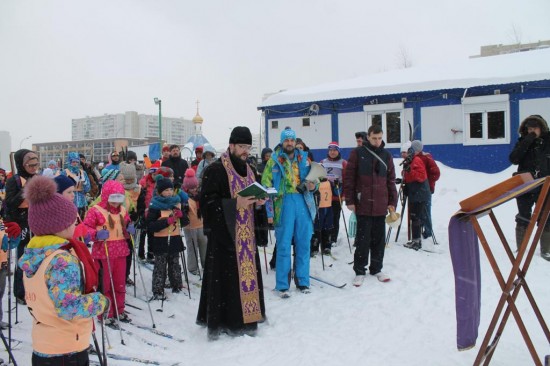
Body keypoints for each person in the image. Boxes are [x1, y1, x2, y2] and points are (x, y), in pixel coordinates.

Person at [18, 175, 108, 365]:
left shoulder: (34, 255)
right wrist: (100, 301)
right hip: (67, 350)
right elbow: (68, 307)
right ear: (58, 226)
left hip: (44, 345)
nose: (75, 225)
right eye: (72, 222)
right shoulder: (61, 261)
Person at [197, 126, 266, 340]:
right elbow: (207, 204)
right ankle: (227, 321)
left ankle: (248, 317)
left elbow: (252, 198)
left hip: (247, 235)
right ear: (231, 145)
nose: (246, 151)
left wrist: (258, 202)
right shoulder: (215, 170)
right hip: (225, 238)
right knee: (226, 282)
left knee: (245, 280)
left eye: (248, 146)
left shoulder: (250, 170)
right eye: (242, 146)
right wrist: (236, 204)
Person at [262, 128, 317, 296]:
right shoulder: (273, 160)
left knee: (303, 244)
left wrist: (313, 186)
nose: (290, 143)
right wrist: (269, 212)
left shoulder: (304, 159)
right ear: (282, 141)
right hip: (283, 203)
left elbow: (315, 179)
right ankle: (282, 285)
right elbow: (265, 186)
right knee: (284, 245)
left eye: (292, 140)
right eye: (286, 140)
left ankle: (303, 281)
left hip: (303, 202)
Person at [344, 125, 397, 286]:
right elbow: (349, 178)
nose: (377, 141)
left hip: (381, 204)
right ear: (368, 137)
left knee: (379, 240)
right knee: (362, 239)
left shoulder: (387, 155)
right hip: (363, 203)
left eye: (380, 138)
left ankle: (376, 268)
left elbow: (391, 181)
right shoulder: (357, 153)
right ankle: (359, 271)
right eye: (374, 138)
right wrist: (350, 200)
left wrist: (392, 202)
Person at [83, 180, 132, 327]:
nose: (116, 204)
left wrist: (130, 229)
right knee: (105, 284)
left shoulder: (123, 211)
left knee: (119, 282)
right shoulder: (96, 210)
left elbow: (127, 223)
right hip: (103, 253)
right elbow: (85, 229)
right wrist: (96, 234)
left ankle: (119, 308)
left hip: (121, 252)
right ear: (106, 196)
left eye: (119, 200)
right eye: (113, 200)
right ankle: (106, 311)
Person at [509, 114, 550, 260]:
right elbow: (514, 159)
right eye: (529, 128)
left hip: (545, 185)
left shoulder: (548, 141)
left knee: (546, 217)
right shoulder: (523, 142)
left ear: (542, 128)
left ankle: (546, 250)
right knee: (523, 216)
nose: (532, 131)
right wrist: (527, 141)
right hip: (525, 184)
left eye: (535, 128)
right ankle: (521, 249)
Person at [4, 148, 40, 304]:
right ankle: (20, 292)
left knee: (37, 257)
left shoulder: (38, 178)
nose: (33, 168)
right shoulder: (14, 181)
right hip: (22, 222)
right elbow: (10, 204)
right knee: (23, 258)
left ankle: (35, 288)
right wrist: (26, 189)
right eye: (30, 165)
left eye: (35, 165)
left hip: (37, 222)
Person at [147, 176, 185, 299]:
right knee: (160, 266)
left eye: (170, 189)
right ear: (160, 192)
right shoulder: (155, 206)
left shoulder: (177, 203)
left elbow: (185, 223)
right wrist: (166, 221)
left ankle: (177, 285)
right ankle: (158, 290)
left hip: (174, 239)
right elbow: (151, 226)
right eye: (166, 190)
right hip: (160, 241)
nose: (169, 192)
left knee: (175, 264)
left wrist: (182, 216)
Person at [402, 141, 431, 251]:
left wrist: (409, 171)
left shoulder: (416, 160)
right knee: (414, 216)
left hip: (420, 193)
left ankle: (416, 241)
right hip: (415, 192)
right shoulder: (411, 160)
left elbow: (421, 177)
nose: (404, 154)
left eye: (406, 152)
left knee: (415, 217)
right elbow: (410, 176)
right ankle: (415, 240)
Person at [411, 140, 440, 239]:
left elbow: (436, 173)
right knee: (420, 210)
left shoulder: (426, 158)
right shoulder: (415, 158)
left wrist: (427, 182)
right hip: (417, 189)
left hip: (425, 189)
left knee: (426, 210)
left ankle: (428, 231)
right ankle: (421, 228)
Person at [321, 142, 347, 247]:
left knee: (335, 217)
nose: (332, 152)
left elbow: (346, 179)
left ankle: (333, 238)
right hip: (325, 194)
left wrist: (344, 194)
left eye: (335, 150)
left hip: (337, 194)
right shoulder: (323, 162)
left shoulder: (343, 163)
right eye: (330, 150)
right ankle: (325, 238)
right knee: (325, 217)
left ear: (338, 151)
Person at [182, 169, 206, 276]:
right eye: (191, 188)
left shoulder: (199, 196)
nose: (194, 189)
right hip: (190, 226)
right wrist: (184, 209)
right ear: (187, 188)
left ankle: (206, 264)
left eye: (195, 187)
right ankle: (192, 267)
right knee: (192, 246)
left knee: (204, 245)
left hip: (201, 224)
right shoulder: (184, 197)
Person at [0, 218, 20, 330]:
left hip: (2, 263)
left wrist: (14, 236)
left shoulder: (1, 222)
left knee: (0, 293)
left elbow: (8, 244)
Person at [62, 152, 91, 219]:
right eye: (73, 162)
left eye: (77, 162)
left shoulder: (83, 172)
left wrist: (85, 183)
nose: (75, 163)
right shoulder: (64, 172)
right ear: (69, 162)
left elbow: (88, 188)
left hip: (82, 203)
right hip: (69, 203)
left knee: (82, 223)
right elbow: (61, 188)